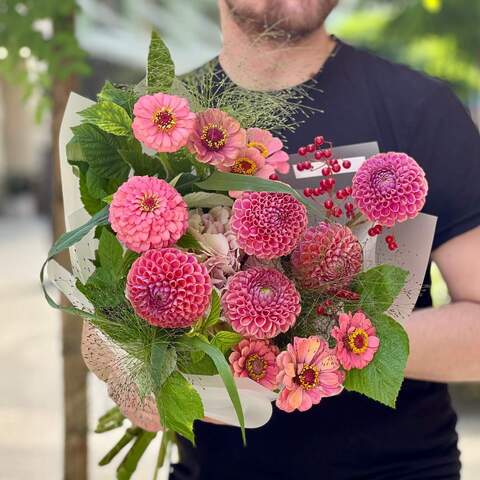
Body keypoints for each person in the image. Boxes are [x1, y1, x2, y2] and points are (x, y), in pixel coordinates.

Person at [170, 1, 480, 479]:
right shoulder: (166, 123)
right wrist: (134, 381)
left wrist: (321, 348)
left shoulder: (418, 107)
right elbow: (107, 320)